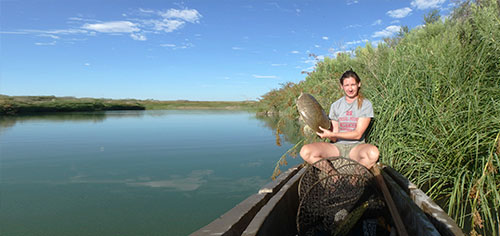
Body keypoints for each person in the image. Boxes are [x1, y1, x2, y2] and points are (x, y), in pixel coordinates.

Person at [299, 70, 379, 170]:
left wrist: (332, 134)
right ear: (342, 86)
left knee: (373, 153)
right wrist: (324, 132)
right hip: (337, 147)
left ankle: (354, 180)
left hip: (356, 147)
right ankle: (333, 175)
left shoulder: (366, 104)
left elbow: (358, 134)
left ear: (359, 84)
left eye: (353, 84)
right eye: (346, 85)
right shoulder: (335, 105)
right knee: (305, 151)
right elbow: (335, 138)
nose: (350, 88)